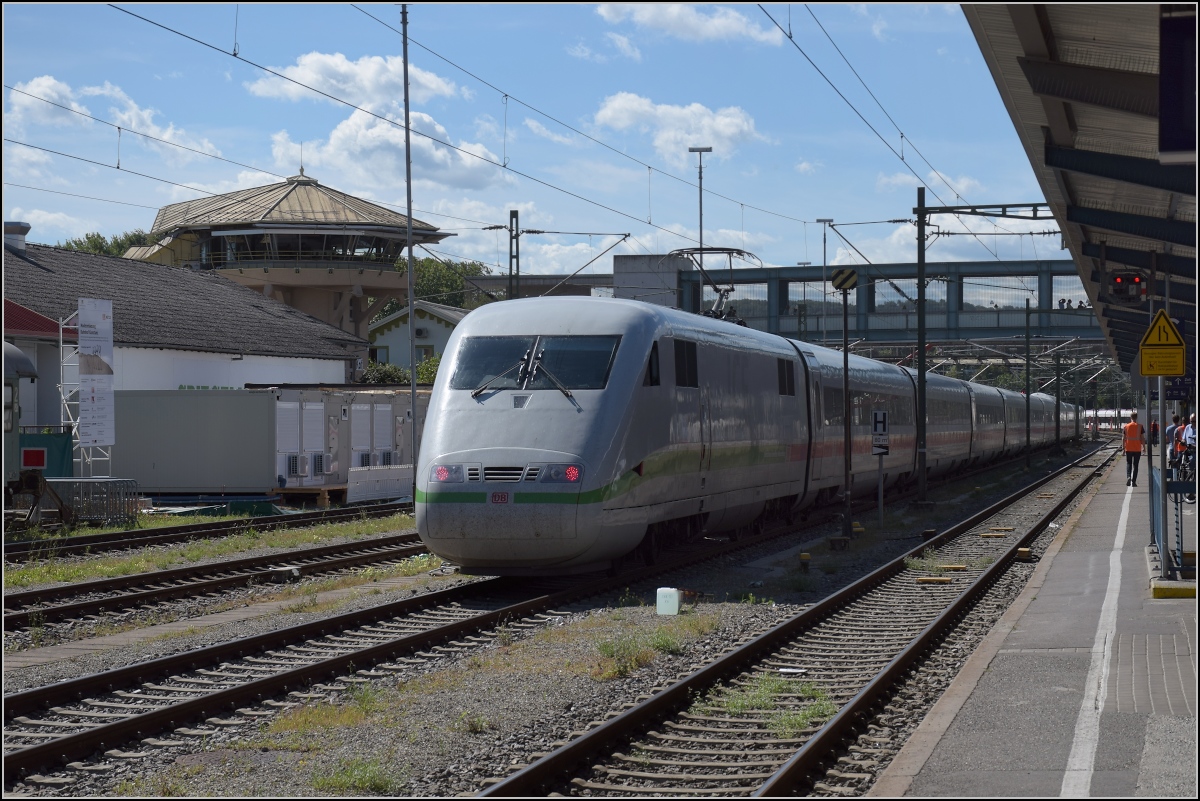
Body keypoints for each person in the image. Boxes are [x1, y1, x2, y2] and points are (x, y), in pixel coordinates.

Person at [1123, 410, 1145, 487]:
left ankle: (1128, 477)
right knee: (1136, 465)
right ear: (1136, 417)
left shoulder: (1126, 426)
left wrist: (1123, 448)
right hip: (1137, 448)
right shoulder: (1140, 426)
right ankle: (1134, 482)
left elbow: (1123, 438)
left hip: (1128, 448)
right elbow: (1142, 438)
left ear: (1130, 417)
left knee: (1128, 463)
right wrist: (1144, 447)